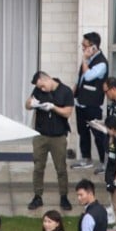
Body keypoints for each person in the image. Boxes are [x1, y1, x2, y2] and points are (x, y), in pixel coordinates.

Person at [26, 71, 74, 212]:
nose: (41, 89)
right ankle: (37, 196)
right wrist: (32, 103)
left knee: (61, 168)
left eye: (42, 86)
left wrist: (53, 107)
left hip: (58, 136)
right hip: (41, 135)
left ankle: (64, 196)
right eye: (39, 88)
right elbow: (27, 105)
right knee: (38, 167)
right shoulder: (38, 90)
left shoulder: (65, 91)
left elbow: (67, 112)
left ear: (46, 79)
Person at [71, 32, 109, 173]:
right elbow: (80, 77)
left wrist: (85, 59)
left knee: (98, 134)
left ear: (93, 47)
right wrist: (73, 92)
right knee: (83, 131)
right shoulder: (88, 60)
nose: (82, 47)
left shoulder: (101, 63)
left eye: (85, 45)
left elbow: (88, 76)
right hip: (80, 102)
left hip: (93, 103)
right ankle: (86, 158)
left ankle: (105, 163)